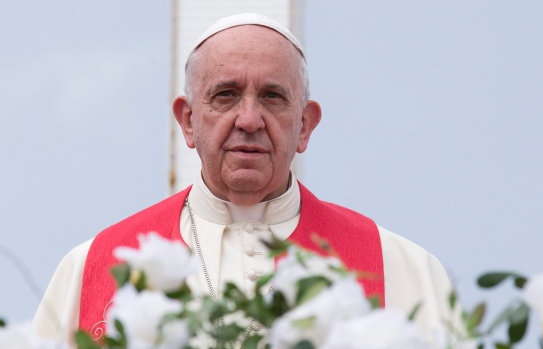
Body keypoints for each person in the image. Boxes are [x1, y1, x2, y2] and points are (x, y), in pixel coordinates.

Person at [33, 13, 457, 344]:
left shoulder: (404, 270)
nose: (249, 120)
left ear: (306, 125)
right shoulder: (95, 267)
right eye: (226, 95)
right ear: (188, 120)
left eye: (273, 97)